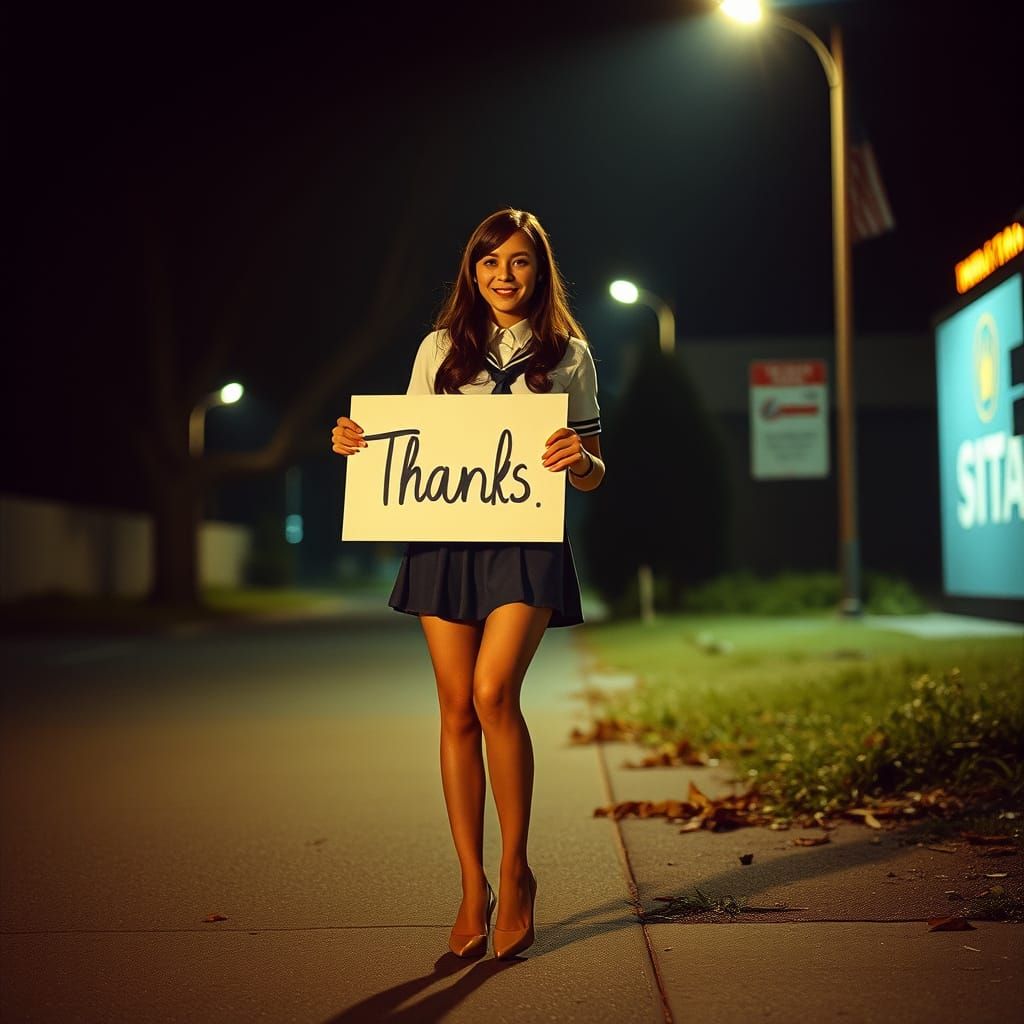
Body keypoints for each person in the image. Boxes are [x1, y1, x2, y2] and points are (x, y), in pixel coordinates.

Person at [330, 208, 605, 960]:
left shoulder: (570, 354)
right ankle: (471, 883)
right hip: (444, 541)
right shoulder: (438, 349)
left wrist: (576, 459)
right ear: (471, 271)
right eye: (490, 263)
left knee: (492, 695)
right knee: (454, 709)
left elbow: (594, 472)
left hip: (525, 542)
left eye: (519, 262)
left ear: (539, 271)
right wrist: (356, 440)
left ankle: (517, 874)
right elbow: (402, 444)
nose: (504, 276)